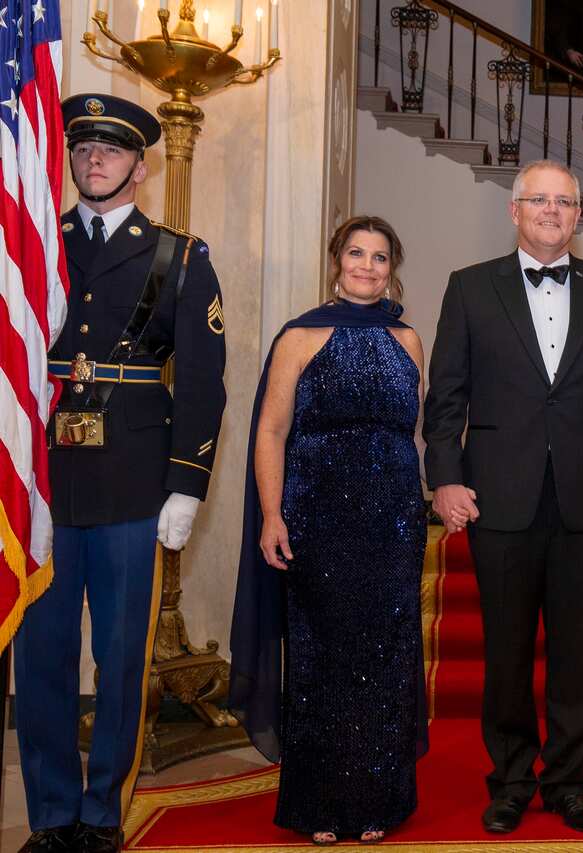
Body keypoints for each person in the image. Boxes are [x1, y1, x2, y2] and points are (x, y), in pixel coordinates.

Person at [14, 93, 226, 853]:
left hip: (135, 482)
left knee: (121, 655)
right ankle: (50, 814)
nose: (92, 160)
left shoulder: (179, 255)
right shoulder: (30, 245)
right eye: (82, 149)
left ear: (141, 166)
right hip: (41, 483)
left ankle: (103, 812)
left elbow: (204, 382)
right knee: (40, 657)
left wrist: (188, 485)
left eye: (109, 151)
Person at [424, 160, 583, 835]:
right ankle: (511, 779)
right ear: (515, 210)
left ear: (579, 215)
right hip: (498, 495)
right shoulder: (469, 289)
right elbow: (446, 398)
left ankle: (569, 782)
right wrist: (445, 474)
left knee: (576, 653)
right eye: (539, 199)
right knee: (506, 650)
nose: (552, 210)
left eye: (564, 201)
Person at [228, 216, 429, 846]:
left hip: (394, 518)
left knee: (385, 654)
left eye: (378, 256)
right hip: (317, 512)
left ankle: (378, 800)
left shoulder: (410, 339)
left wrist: (425, 498)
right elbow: (270, 433)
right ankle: (318, 805)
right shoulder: (301, 336)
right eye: (355, 254)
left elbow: (415, 434)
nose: (366, 266)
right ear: (335, 261)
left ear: (392, 266)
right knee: (322, 654)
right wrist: (271, 512)